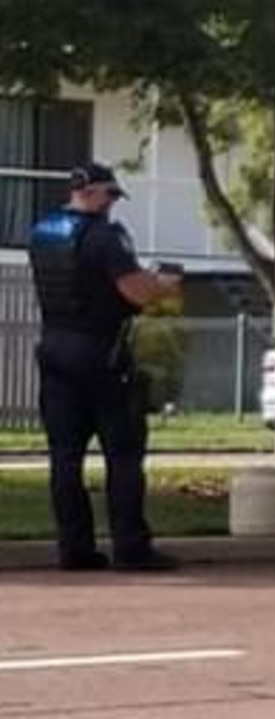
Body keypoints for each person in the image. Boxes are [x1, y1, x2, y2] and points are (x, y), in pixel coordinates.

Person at [27, 162, 182, 571]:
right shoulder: (105, 237)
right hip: (102, 353)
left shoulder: (42, 233)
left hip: (54, 348)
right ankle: (131, 548)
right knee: (124, 453)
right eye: (110, 195)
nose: (113, 204)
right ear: (92, 192)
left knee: (64, 457)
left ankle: (74, 548)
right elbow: (134, 292)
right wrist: (161, 285)